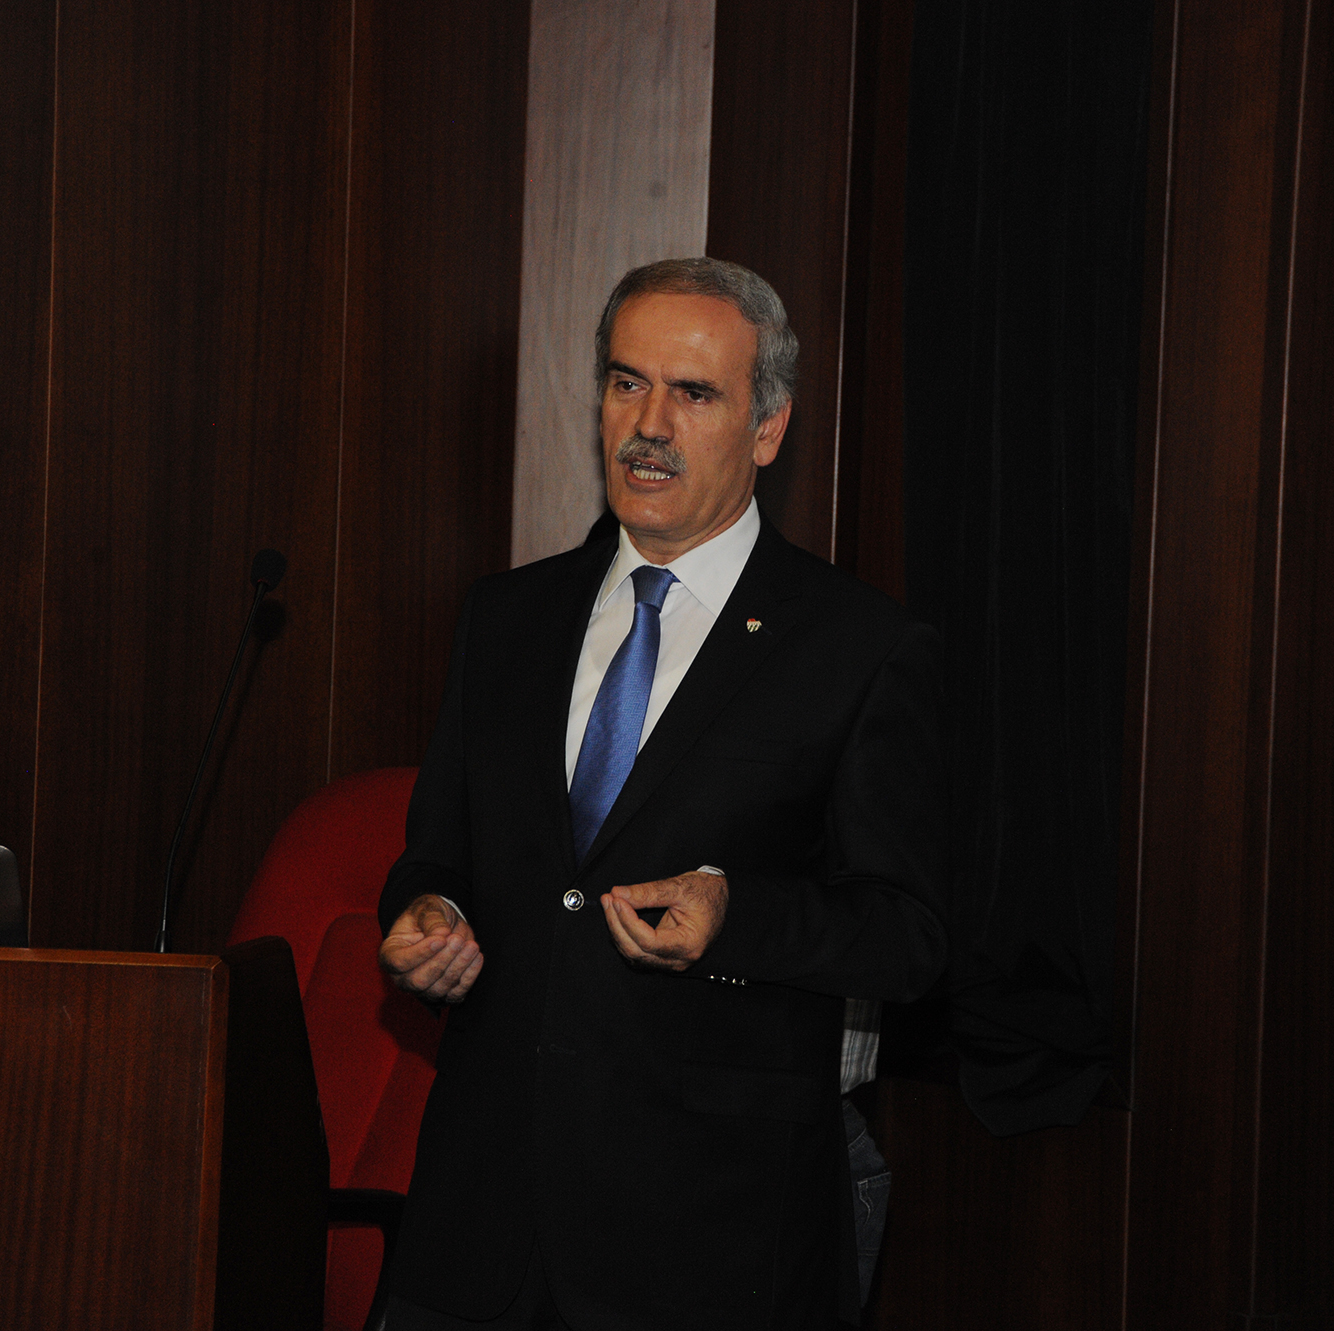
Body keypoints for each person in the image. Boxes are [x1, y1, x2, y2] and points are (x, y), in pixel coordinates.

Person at [376, 257, 948, 1330]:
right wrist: (428, 914)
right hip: (479, 1222)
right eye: (626, 382)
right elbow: (438, 853)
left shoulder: (858, 647)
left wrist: (737, 912)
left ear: (767, 428)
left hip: (706, 1237)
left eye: (693, 393)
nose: (649, 424)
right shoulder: (505, 617)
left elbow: (905, 934)